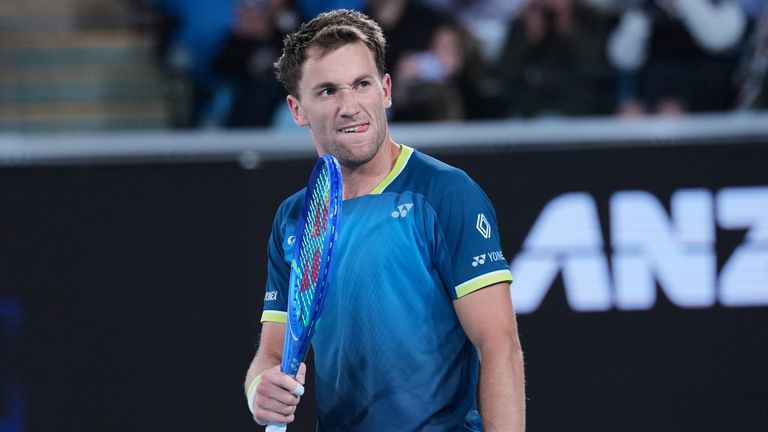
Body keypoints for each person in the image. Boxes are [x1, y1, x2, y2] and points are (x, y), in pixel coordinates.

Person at [243, 9, 525, 432]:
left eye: (362, 84)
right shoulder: (294, 218)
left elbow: (499, 346)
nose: (350, 106)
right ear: (297, 110)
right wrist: (259, 390)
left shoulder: (446, 194)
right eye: (327, 91)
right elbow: (272, 353)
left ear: (385, 90)